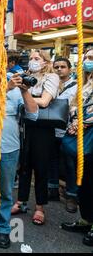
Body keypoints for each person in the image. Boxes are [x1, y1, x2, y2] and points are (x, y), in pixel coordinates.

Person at [0, 57, 38, 249]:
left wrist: (24, 90)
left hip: (9, 148)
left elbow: (33, 114)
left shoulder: (15, 80)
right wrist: (7, 88)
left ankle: (3, 228)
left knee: (5, 191)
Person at [12, 49, 59, 226]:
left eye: (37, 58)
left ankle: (40, 207)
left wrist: (25, 97)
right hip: (26, 125)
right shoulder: (25, 75)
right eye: (31, 58)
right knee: (24, 166)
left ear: (46, 62)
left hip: (43, 128)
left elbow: (45, 101)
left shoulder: (51, 78)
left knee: (41, 167)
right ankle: (21, 201)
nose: (33, 61)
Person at [61, 48, 93, 247]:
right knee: (85, 183)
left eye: (91, 58)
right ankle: (86, 219)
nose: (87, 61)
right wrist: (75, 121)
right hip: (81, 136)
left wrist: (83, 123)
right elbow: (75, 106)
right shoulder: (85, 83)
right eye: (86, 57)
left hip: (88, 135)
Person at [49, 58, 77, 209]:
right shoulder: (50, 84)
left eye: (63, 67)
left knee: (70, 163)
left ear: (70, 69)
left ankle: (72, 195)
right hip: (51, 128)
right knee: (51, 160)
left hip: (69, 130)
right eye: (57, 67)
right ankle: (52, 188)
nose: (59, 69)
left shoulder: (77, 87)